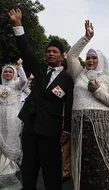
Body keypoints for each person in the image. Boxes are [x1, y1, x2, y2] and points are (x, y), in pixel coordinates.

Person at [9, 9, 74, 190]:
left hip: (51, 131)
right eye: (48, 51)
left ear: (62, 55)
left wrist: (67, 130)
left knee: (51, 170)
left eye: (54, 51)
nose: (50, 54)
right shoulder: (38, 70)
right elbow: (25, 50)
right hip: (30, 125)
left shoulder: (68, 79)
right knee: (29, 169)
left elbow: (68, 106)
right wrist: (18, 24)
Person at [67, 20, 109, 190]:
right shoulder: (79, 74)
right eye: (88, 58)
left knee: (101, 162)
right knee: (82, 163)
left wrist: (98, 91)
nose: (90, 61)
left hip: (100, 125)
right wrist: (86, 38)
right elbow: (71, 56)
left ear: (101, 61)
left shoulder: (108, 79)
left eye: (93, 58)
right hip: (80, 124)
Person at [0, 59, 27, 190]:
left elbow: (24, 81)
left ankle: (10, 164)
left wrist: (20, 67)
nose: (8, 73)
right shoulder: (0, 87)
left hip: (12, 117)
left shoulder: (16, 85)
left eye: (10, 71)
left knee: (11, 138)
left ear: (14, 73)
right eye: (5, 71)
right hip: (1, 117)